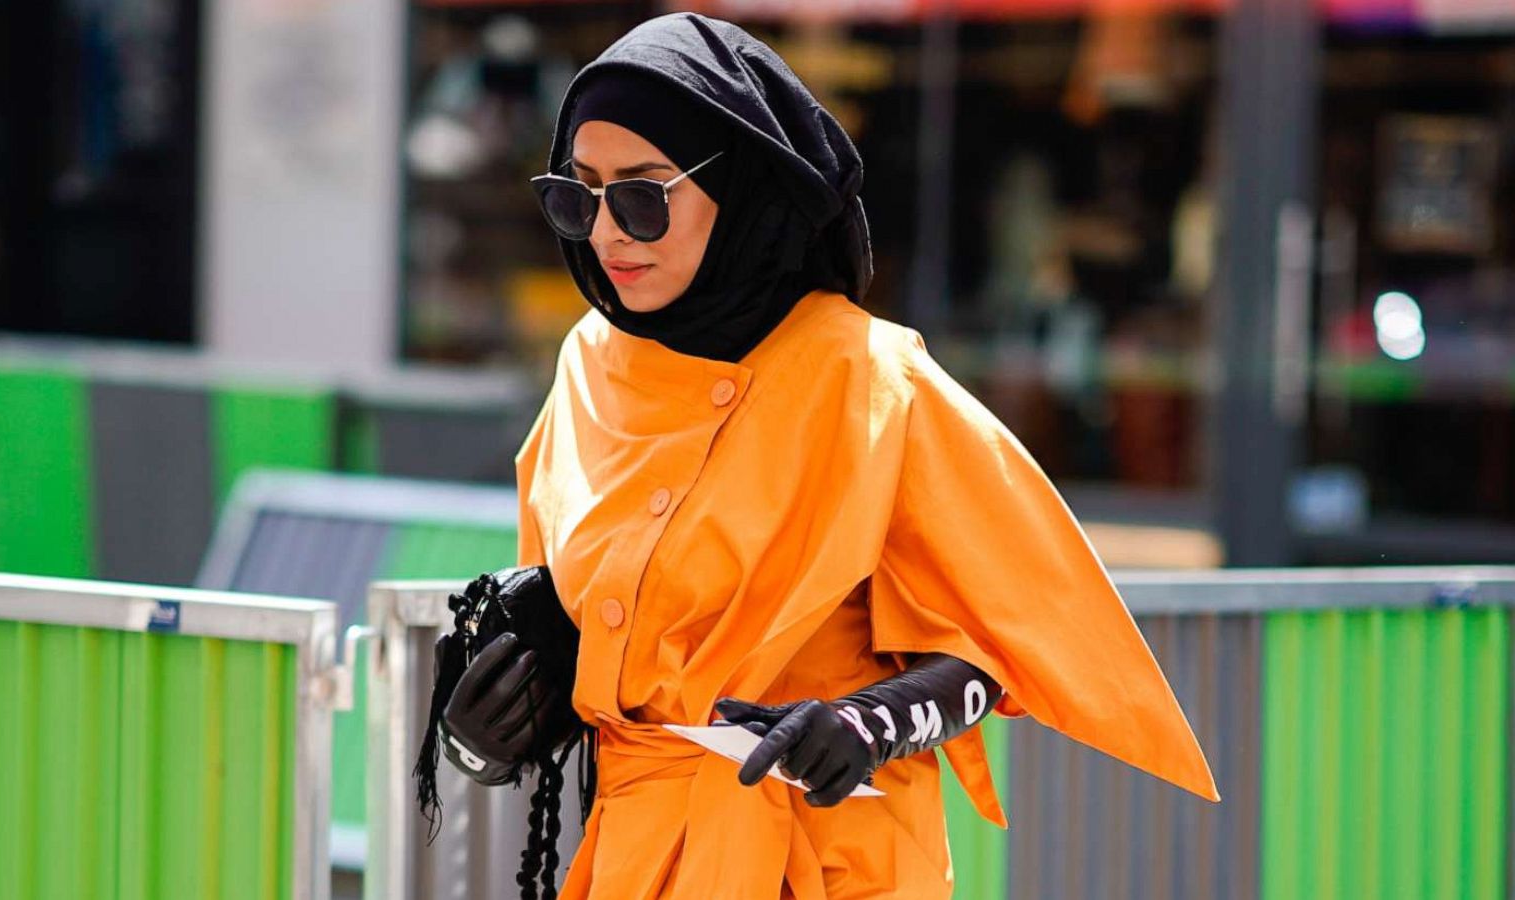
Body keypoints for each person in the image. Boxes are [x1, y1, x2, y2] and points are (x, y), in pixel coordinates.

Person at [440, 12, 1219, 899]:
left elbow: (997, 649)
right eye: (577, 196)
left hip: (830, 866)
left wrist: (870, 723)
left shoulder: (871, 377)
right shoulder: (587, 361)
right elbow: (589, 625)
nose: (608, 232)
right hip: (634, 864)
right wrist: (496, 728)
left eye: (644, 196)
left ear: (740, 190)